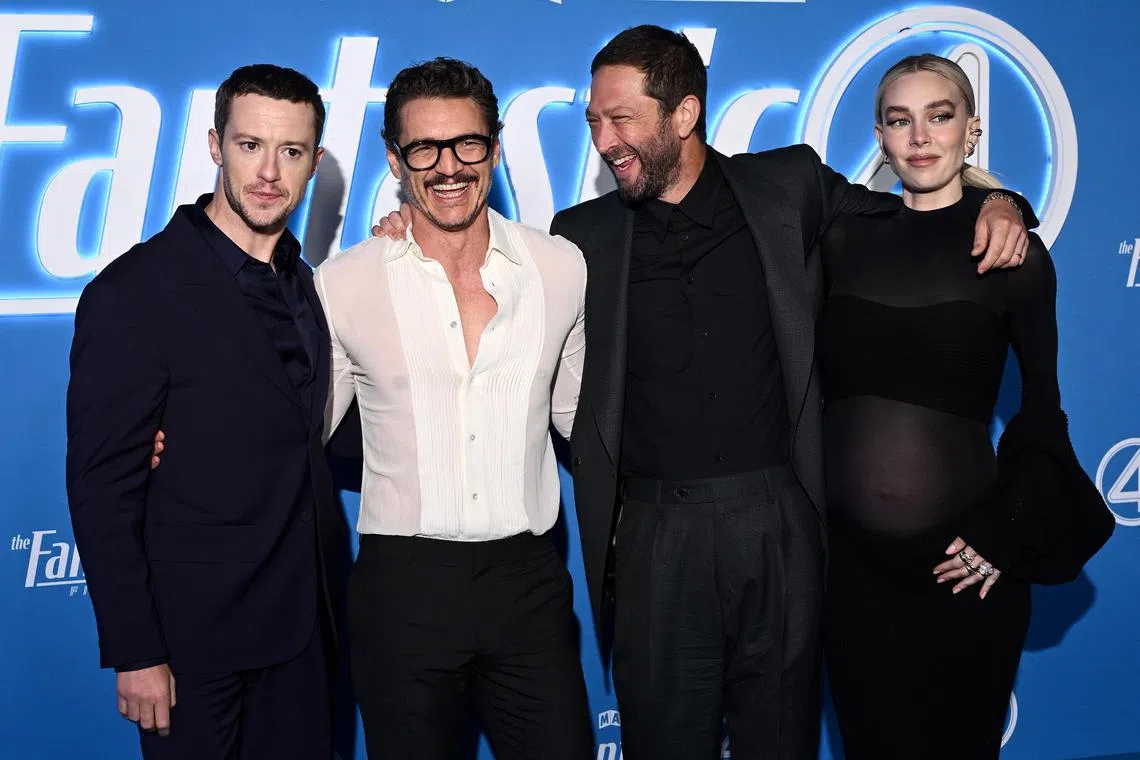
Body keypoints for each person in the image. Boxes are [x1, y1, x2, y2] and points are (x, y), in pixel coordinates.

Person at [371, 27, 1032, 759]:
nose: (603, 139)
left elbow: (913, 211)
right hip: (657, 538)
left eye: (621, 119)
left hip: (781, 523)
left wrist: (1000, 198)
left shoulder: (789, 187)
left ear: (683, 115)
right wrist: (411, 226)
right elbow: (484, 267)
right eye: (593, 120)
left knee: (780, 740)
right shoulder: (578, 237)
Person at [818, 53, 1113, 758]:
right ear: (881, 137)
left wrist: (1002, 538)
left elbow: (1043, 410)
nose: (920, 136)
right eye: (899, 119)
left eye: (939, 116)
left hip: (964, 568)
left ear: (972, 131)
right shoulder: (838, 238)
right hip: (851, 574)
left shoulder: (1014, 255)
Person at [315, 58, 593, 759]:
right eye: (424, 149)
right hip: (400, 591)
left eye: (467, 144)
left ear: (494, 148)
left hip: (528, 585)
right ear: (394, 158)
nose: (448, 167)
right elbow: (302, 430)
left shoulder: (559, 268)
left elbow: (586, 420)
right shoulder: (343, 283)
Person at [66, 64, 340, 759]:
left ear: (313, 160)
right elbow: (102, 487)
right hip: (193, 646)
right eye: (250, 146)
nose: (269, 172)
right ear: (216, 145)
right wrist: (135, 650)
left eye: (292, 151)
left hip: (301, 633)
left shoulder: (303, 283)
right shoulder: (135, 291)